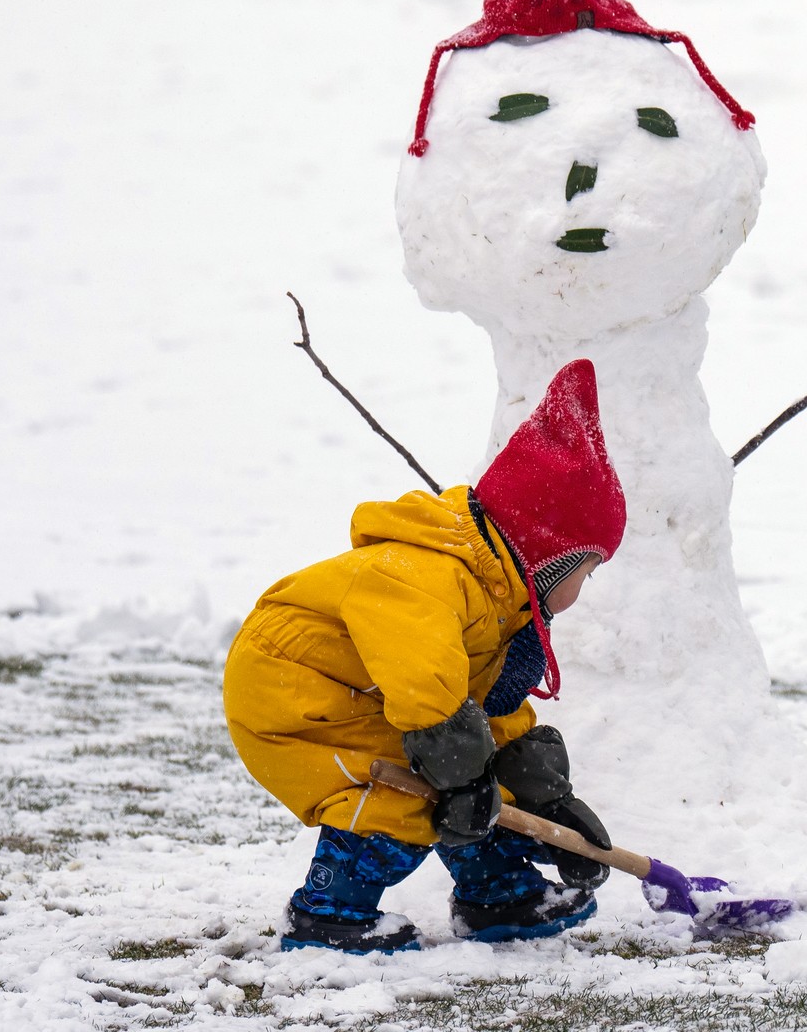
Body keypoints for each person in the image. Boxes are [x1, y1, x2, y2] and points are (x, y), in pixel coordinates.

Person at [223, 359, 626, 952]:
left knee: (471, 779)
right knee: (408, 796)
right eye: (587, 571)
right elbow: (426, 688)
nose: (582, 591)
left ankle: (498, 895)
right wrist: (463, 773)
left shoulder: (501, 602)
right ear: (552, 555)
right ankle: (328, 915)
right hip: (298, 694)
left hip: (376, 699)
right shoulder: (428, 577)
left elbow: (486, 709)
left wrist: (545, 797)